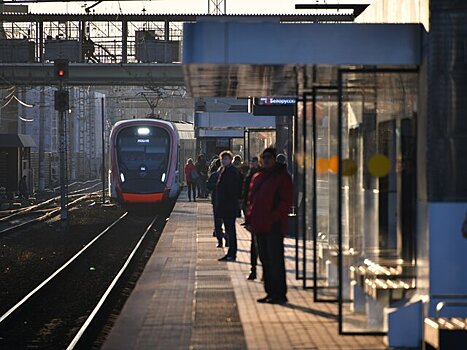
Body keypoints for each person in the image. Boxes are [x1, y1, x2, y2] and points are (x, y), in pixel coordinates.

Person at [246, 147, 293, 304]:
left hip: (274, 226)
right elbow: (252, 200)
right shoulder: (257, 176)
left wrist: (274, 217)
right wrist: (250, 219)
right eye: (264, 157)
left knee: (275, 260)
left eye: (269, 157)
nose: (266, 160)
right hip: (259, 225)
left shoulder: (281, 177)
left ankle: (279, 293)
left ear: (274, 159)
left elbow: (286, 201)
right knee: (265, 259)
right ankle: (270, 292)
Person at [216, 151, 242, 262]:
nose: (224, 161)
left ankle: (232, 253)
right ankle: (231, 253)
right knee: (229, 230)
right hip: (227, 205)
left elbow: (231, 189)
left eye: (226, 159)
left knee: (230, 230)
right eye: (223, 159)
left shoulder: (231, 172)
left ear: (230, 160)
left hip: (229, 205)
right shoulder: (226, 170)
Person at [242, 156, 260, 280]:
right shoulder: (253, 176)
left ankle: (261, 271)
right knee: (254, 246)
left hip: (267, 219)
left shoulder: (261, 176)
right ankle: (253, 269)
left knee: (262, 247)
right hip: (256, 217)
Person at [207, 159, 225, 248]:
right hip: (217, 201)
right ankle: (220, 240)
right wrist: (217, 186)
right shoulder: (214, 175)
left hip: (226, 202)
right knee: (218, 222)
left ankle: (227, 240)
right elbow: (209, 186)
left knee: (226, 223)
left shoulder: (230, 174)